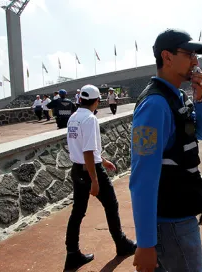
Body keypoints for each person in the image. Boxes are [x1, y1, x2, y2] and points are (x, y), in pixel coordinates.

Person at [130, 28, 202, 272]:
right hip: (171, 224)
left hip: (181, 215)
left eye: (197, 56)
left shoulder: (177, 96)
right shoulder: (155, 105)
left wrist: (199, 97)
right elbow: (142, 178)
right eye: (189, 54)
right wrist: (145, 244)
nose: (196, 61)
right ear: (167, 56)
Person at [64, 84, 136, 271]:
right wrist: (95, 180)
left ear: (80, 99)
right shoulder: (90, 119)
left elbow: (84, 149)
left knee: (77, 213)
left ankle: (72, 254)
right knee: (111, 205)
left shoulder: (73, 118)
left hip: (77, 170)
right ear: (97, 101)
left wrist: (103, 161)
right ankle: (121, 244)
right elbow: (88, 151)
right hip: (90, 170)